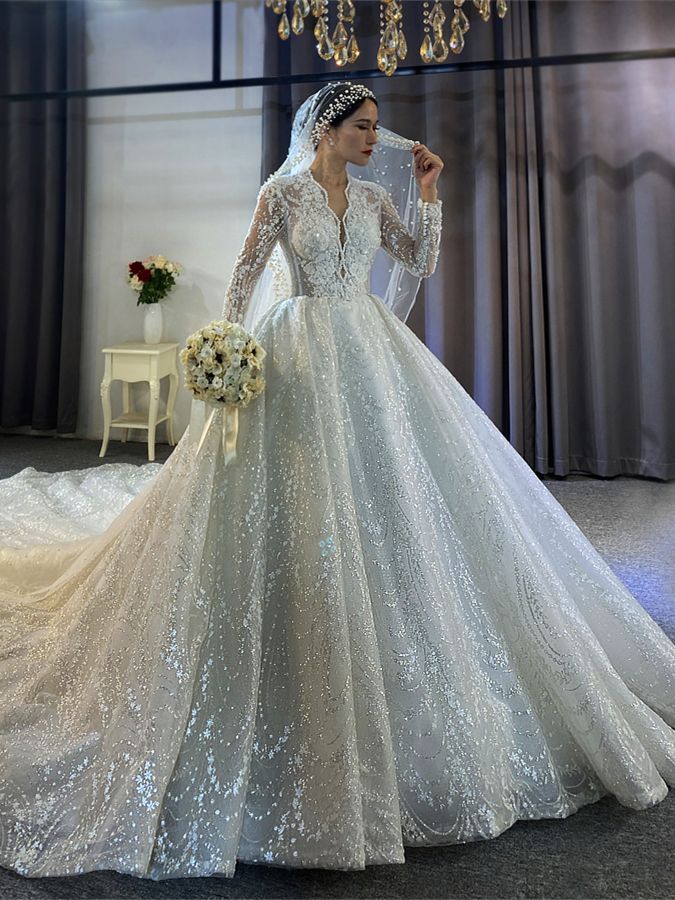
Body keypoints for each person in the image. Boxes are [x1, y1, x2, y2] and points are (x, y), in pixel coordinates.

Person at [0, 81, 673, 882]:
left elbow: (415, 261)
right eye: (360, 128)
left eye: (374, 130)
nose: (371, 140)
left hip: (370, 347)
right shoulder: (283, 191)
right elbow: (246, 276)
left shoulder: (370, 196)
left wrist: (427, 194)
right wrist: (229, 353)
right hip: (296, 349)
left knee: (399, 496)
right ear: (324, 129)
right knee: (293, 495)